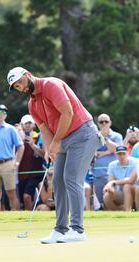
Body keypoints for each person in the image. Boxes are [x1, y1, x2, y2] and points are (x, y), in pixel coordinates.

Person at [7, 66, 100, 244]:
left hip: (83, 133)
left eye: (20, 82)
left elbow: (67, 113)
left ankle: (78, 229)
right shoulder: (32, 105)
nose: (21, 87)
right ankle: (60, 229)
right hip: (64, 138)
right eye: (17, 86)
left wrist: (56, 143)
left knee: (71, 178)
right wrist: (50, 150)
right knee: (57, 181)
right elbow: (44, 130)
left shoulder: (51, 85)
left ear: (28, 75)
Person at [92, 113, 123, 205]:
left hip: (114, 175)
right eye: (101, 122)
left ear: (110, 123)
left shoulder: (117, 136)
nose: (104, 124)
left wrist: (104, 138)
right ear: (98, 124)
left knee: (114, 200)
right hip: (98, 174)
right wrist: (108, 151)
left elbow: (117, 150)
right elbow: (93, 153)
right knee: (101, 201)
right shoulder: (93, 136)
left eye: (106, 121)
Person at [18, 114, 45, 210]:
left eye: (29, 123)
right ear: (21, 125)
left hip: (35, 174)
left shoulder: (39, 137)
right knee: (21, 200)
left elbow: (44, 155)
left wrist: (33, 146)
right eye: (25, 123)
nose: (27, 125)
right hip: (21, 174)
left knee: (26, 196)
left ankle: (28, 217)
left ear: (34, 125)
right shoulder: (17, 139)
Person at [103, 146, 139, 211]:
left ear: (128, 154)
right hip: (120, 192)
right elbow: (110, 181)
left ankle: (127, 211)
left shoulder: (136, 162)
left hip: (136, 192)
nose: (122, 156)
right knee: (107, 195)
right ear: (116, 155)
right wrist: (110, 187)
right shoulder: (112, 165)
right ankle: (118, 212)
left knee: (127, 186)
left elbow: (130, 180)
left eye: (123, 153)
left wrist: (113, 182)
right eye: (119, 154)